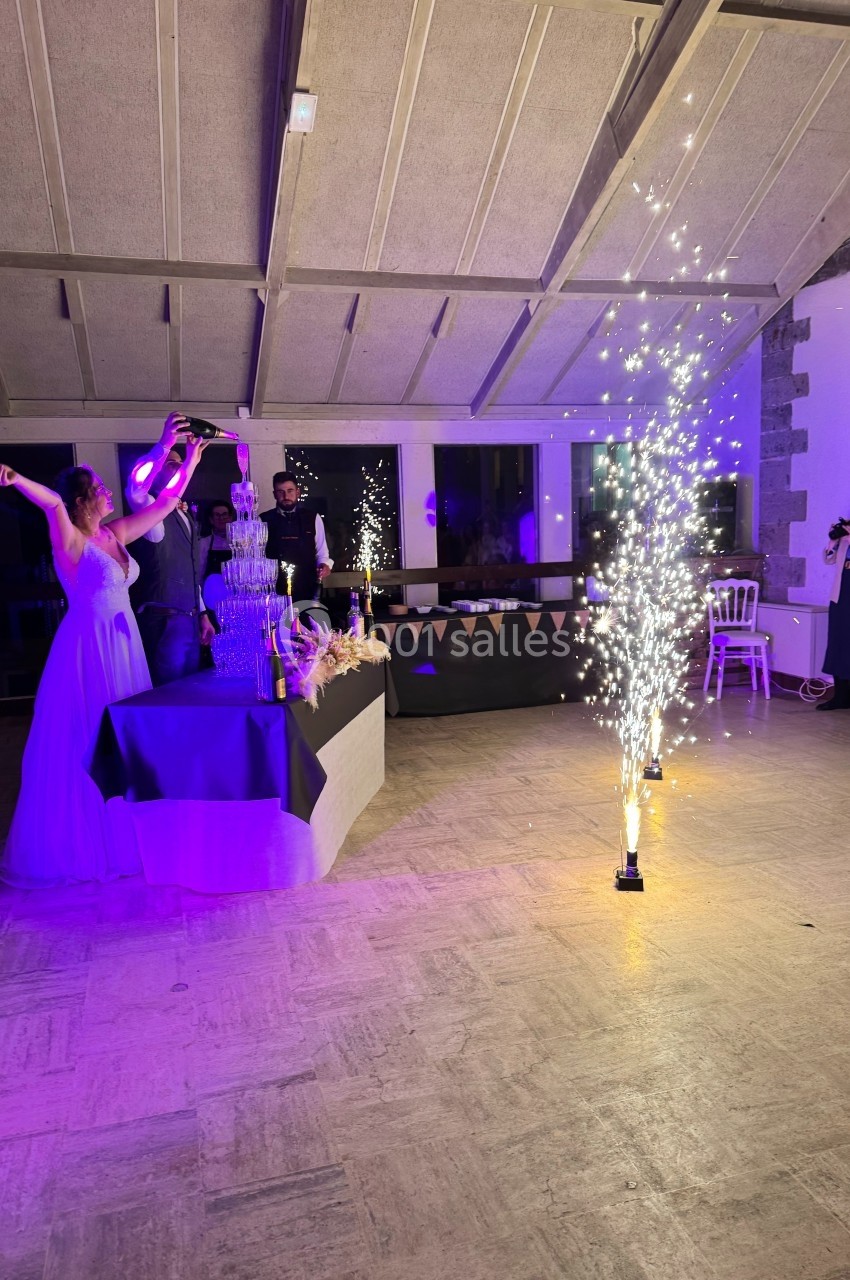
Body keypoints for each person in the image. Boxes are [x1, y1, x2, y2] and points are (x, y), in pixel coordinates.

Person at [0, 443, 205, 885]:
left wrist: (191, 461)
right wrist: (17, 480)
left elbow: (168, 501)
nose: (107, 491)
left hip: (125, 647)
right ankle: (90, 842)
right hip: (88, 648)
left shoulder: (114, 534)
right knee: (88, 733)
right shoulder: (69, 539)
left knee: (127, 735)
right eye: (98, 488)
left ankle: (130, 834)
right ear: (81, 502)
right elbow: (51, 501)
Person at [126, 413, 215, 684]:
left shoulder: (187, 515)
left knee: (189, 690)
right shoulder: (150, 507)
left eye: (180, 464)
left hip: (188, 620)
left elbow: (191, 572)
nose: (177, 468)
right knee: (169, 692)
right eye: (170, 464)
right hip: (165, 619)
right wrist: (164, 446)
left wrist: (202, 614)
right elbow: (136, 488)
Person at [259, 471, 333, 601]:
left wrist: (324, 565)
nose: (286, 496)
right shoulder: (263, 520)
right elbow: (257, 558)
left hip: (307, 589)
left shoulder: (313, 518)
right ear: (275, 494)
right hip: (274, 593)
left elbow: (322, 554)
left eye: (290, 490)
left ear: (297, 492)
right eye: (280, 492)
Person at [818, 516, 850, 710]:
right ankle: (840, 697)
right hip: (841, 598)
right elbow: (828, 559)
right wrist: (834, 542)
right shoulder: (844, 542)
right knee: (838, 644)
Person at [199, 499, 235, 582]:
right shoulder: (204, 543)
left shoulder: (239, 543)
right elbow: (200, 571)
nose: (221, 518)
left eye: (224, 514)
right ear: (211, 520)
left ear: (230, 518)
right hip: (212, 591)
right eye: (217, 515)